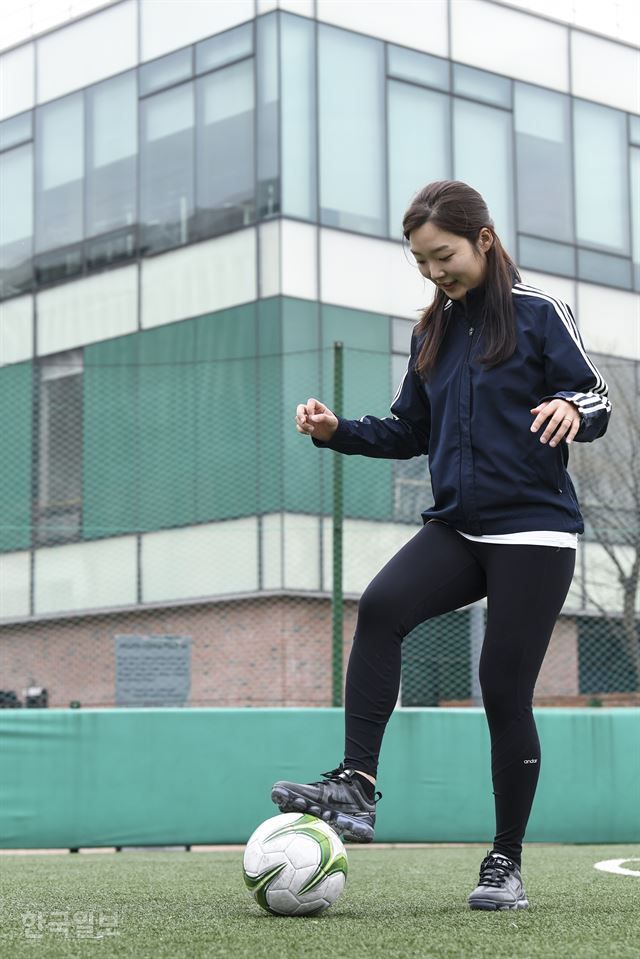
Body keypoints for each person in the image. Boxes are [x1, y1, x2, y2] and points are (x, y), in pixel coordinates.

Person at [271, 180, 612, 911]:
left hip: (533, 530)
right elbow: (409, 429)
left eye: (443, 256)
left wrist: (567, 406)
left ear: (483, 239)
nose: (434, 272)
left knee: (501, 688)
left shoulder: (539, 313)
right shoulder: (432, 332)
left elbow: (597, 397)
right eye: (422, 262)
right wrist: (339, 432)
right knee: (384, 604)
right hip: (458, 525)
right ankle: (355, 787)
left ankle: (504, 861)